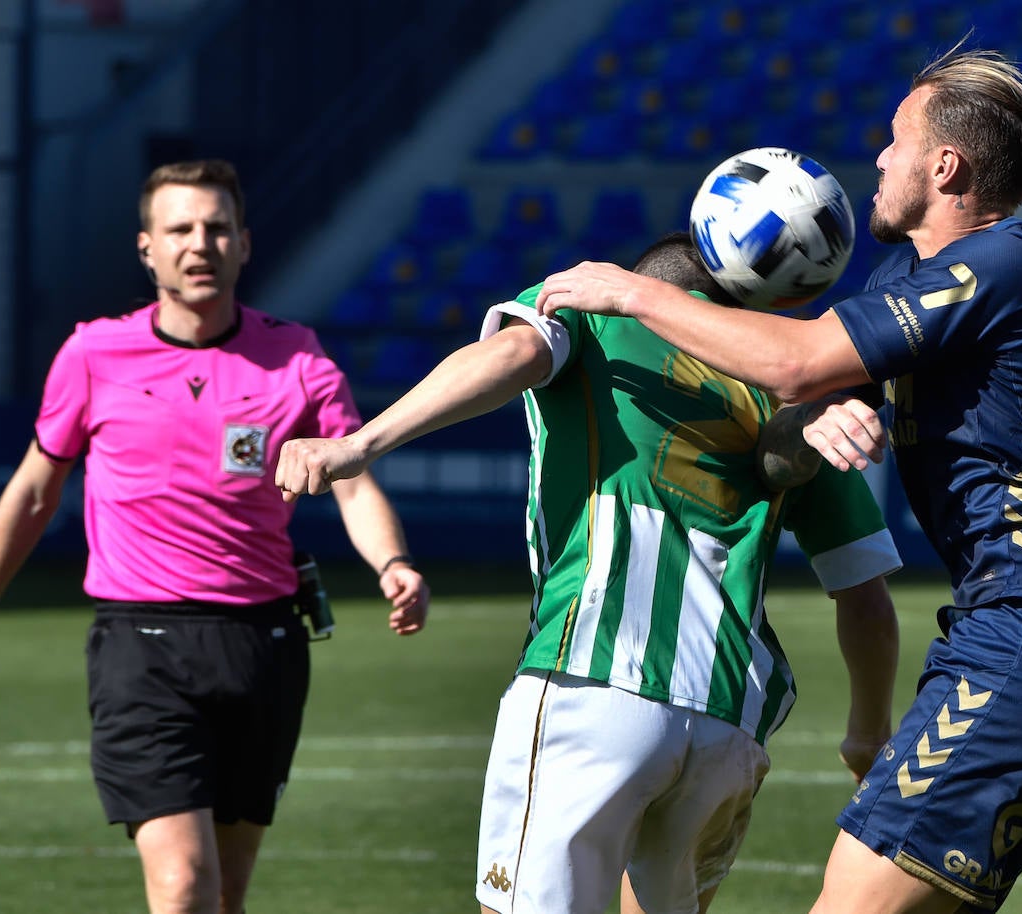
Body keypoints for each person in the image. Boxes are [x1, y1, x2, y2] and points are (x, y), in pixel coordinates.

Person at [536, 42, 1022, 914]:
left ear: (946, 165)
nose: (879, 157)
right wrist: (818, 418)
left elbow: (796, 363)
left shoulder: (1003, 262)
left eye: (896, 140)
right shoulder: (912, 278)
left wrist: (634, 294)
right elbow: (786, 439)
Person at [275, 232, 902, 914]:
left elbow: (510, 352)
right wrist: (868, 732)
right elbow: (863, 593)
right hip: (732, 720)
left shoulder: (598, 314)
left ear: (646, 287)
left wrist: (360, 444)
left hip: (597, 677)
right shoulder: (794, 401)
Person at [0, 158, 429, 914]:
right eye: (181, 229)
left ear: (244, 244)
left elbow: (352, 480)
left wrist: (393, 562)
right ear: (147, 248)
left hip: (264, 646)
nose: (201, 244)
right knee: (183, 884)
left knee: (224, 895)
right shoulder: (94, 355)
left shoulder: (298, 360)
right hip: (140, 646)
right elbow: (33, 491)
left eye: (217, 227)